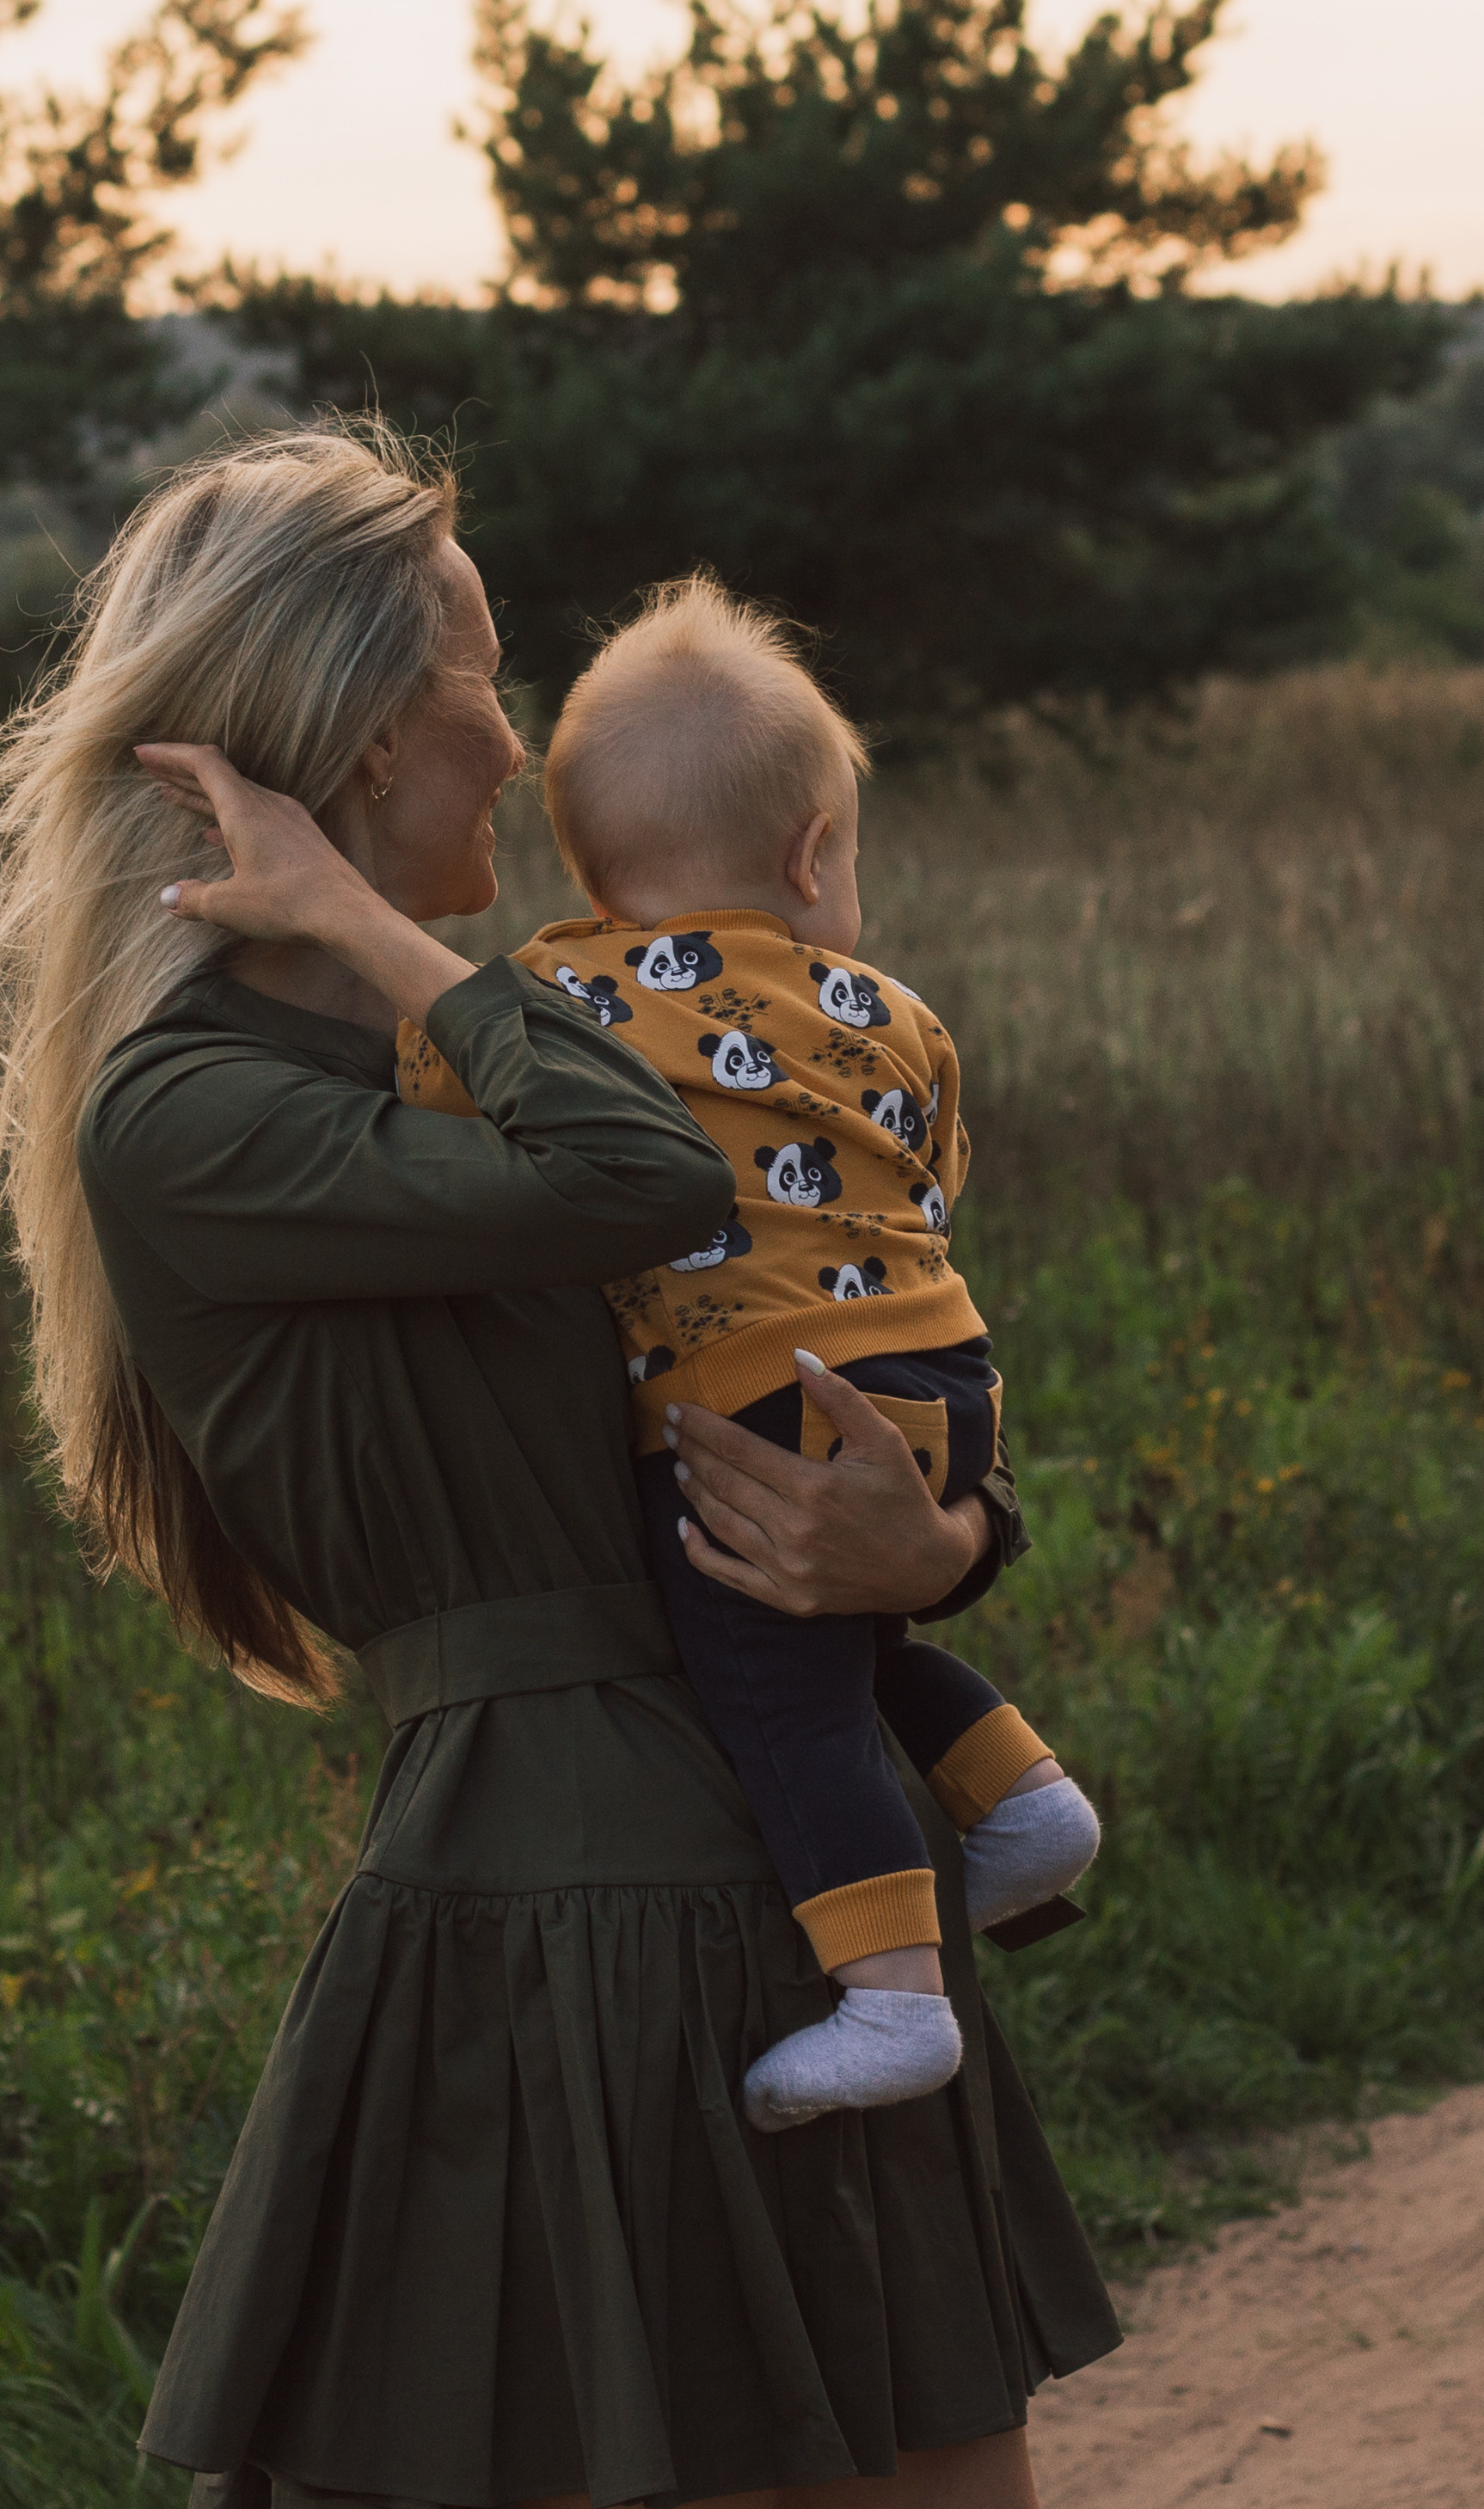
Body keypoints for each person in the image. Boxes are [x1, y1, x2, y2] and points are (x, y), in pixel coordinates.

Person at [0, 426, 1119, 2509]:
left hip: (791, 1859)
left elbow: (827, 1321)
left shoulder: (528, 1039)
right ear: (364, 736)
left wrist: (930, 1545)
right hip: (578, 1906)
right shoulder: (203, 1111)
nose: (516, 738)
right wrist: (383, 938)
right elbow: (644, 1186)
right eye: (481, 677)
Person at [395, 575, 1100, 2136]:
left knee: (769, 1690)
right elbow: (930, 1180)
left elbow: (438, 1087)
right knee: (842, 1639)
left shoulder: (558, 999)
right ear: (810, 851)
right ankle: (1020, 1796)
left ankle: (893, 1996)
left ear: (587, 867)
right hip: (941, 1369)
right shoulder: (895, 1010)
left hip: (752, 1395)